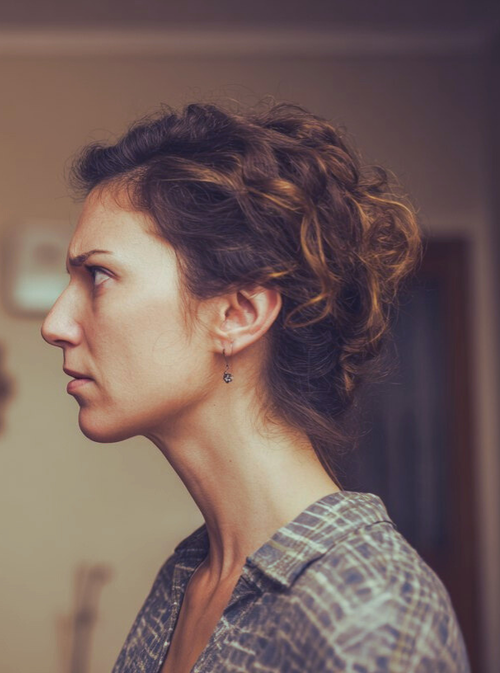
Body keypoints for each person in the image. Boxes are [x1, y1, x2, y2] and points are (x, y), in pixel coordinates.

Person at [42, 102, 469, 672]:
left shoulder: (371, 613)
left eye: (98, 275)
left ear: (238, 314)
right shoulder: (188, 576)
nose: (54, 324)